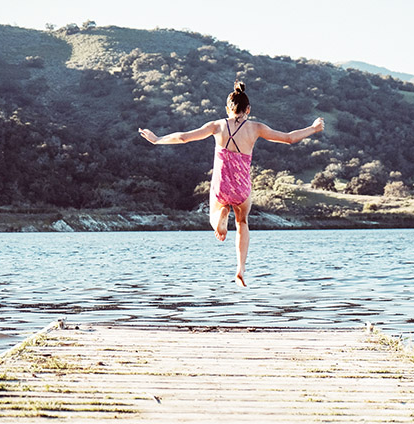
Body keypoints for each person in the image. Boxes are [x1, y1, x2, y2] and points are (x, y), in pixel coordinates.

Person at [139, 80, 325, 287]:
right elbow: (289, 138)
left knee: (214, 219)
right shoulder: (256, 128)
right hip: (242, 187)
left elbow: (183, 138)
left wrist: (157, 139)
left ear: (227, 108)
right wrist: (313, 128)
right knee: (243, 223)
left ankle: (220, 218)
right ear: (248, 109)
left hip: (221, 185)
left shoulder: (217, 126)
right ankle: (240, 269)